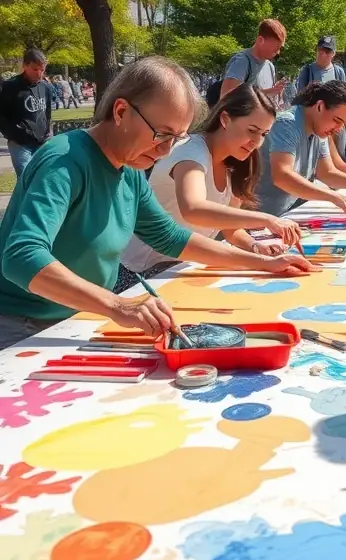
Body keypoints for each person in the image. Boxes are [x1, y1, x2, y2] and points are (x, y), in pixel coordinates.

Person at [0, 57, 315, 350]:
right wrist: (117, 305)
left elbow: (172, 238)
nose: (165, 151)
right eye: (161, 134)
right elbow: (22, 257)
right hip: (26, 327)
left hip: (80, 318)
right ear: (121, 111)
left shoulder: (129, 169)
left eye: (175, 138)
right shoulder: (65, 159)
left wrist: (263, 262)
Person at [120, 85, 309, 281]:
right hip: (144, 271)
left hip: (187, 265)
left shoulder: (237, 162)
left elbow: (229, 228)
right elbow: (193, 208)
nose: (256, 142)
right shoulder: (191, 152)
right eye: (252, 130)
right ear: (225, 119)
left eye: (263, 134)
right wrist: (268, 220)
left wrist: (255, 247)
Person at [255, 79, 346, 218]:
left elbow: (327, 172)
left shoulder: (319, 130)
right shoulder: (287, 124)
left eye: (343, 124)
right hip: (259, 219)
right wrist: (332, 196)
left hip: (286, 216)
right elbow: (282, 176)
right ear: (319, 106)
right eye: (337, 120)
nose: (338, 129)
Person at [0, 48, 53, 179]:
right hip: (20, 144)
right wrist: (13, 133)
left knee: (43, 178)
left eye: (42, 69)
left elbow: (47, 113)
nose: (39, 73)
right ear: (25, 66)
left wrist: (48, 133)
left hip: (42, 142)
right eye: (35, 69)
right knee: (26, 179)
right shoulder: (10, 87)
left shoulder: (45, 87)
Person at [218, 19, 289, 103]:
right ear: (260, 40)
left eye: (280, 48)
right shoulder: (242, 61)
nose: (278, 52)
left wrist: (275, 91)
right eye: (276, 47)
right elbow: (227, 97)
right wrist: (268, 92)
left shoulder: (270, 66)